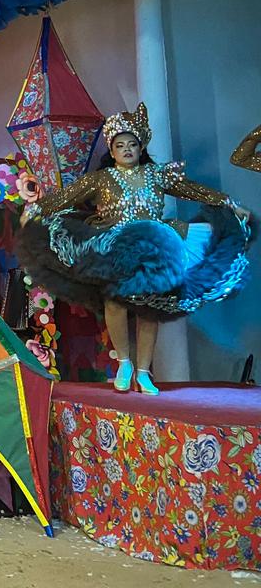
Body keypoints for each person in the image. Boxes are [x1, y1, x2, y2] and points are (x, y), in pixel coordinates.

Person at [18, 103, 251, 395]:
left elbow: (193, 190)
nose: (127, 149)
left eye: (132, 144)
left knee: (149, 309)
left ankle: (143, 373)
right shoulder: (101, 179)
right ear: (112, 151)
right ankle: (124, 364)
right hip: (116, 247)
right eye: (120, 145)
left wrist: (229, 203)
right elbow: (66, 197)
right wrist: (37, 209)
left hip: (154, 247)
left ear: (140, 148)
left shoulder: (156, 174)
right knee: (115, 303)